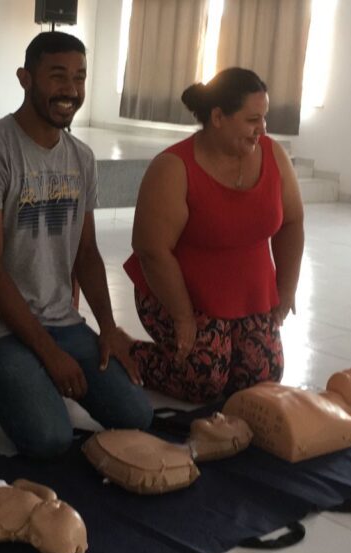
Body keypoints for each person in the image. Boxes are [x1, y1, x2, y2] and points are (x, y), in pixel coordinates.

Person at [0, 31, 153, 459]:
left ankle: (26, 375)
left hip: (62, 323)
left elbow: (87, 253)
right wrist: (47, 354)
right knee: (49, 439)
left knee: (136, 414)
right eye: (58, 76)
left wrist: (108, 328)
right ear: (25, 78)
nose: (71, 90)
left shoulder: (81, 157)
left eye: (79, 77)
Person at [124, 67, 305, 404]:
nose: (262, 129)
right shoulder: (173, 167)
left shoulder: (273, 155)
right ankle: (128, 352)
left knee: (262, 374)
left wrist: (287, 288)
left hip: (247, 294)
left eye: (264, 118)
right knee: (205, 377)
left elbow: (292, 223)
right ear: (218, 117)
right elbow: (151, 250)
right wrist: (182, 316)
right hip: (179, 293)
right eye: (252, 120)